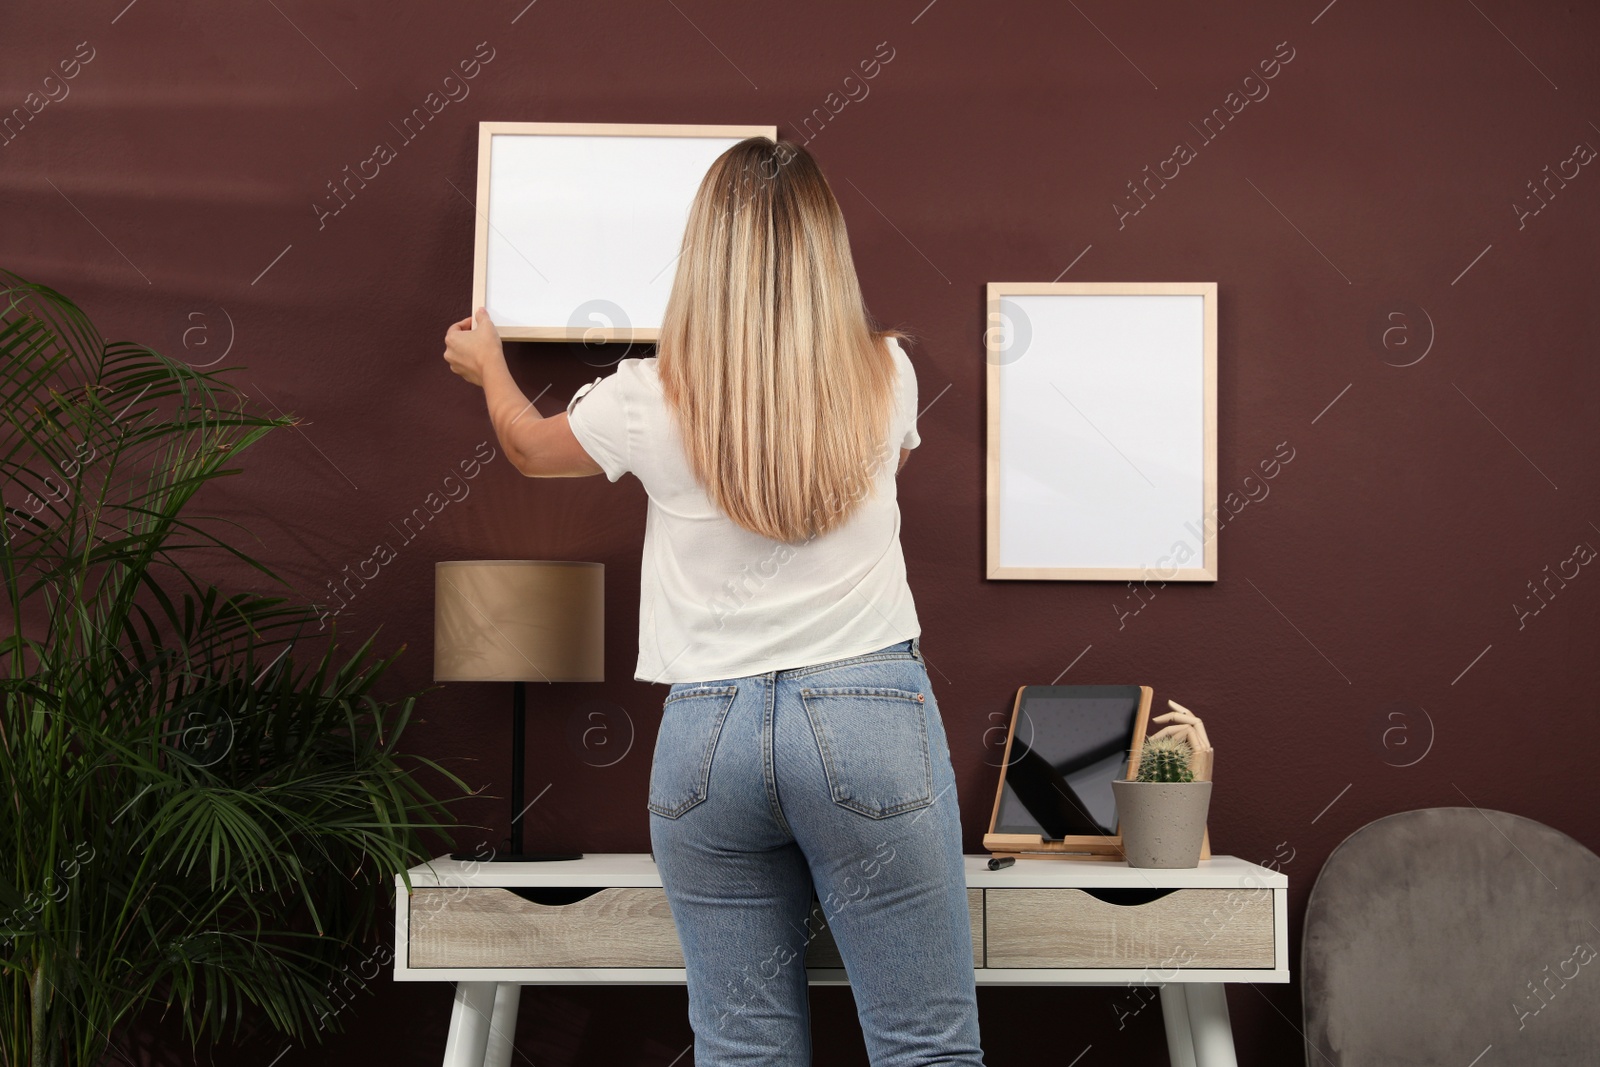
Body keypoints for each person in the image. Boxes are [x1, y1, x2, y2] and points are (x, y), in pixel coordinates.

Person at [441, 136, 985, 1067]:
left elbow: (530, 449)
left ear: (704, 253)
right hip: (867, 717)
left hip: (709, 735)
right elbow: (876, 467)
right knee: (925, 1049)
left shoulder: (648, 396)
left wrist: (490, 365)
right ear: (825, 252)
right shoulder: (887, 373)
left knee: (742, 1056)